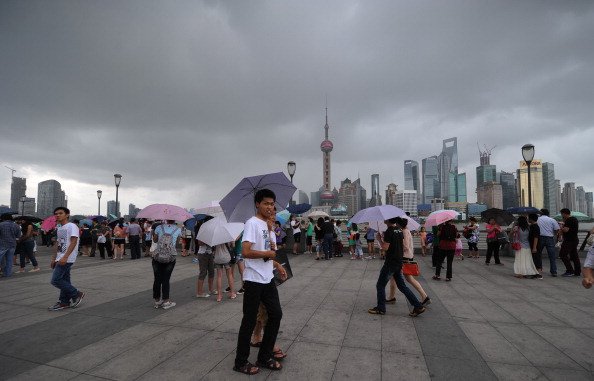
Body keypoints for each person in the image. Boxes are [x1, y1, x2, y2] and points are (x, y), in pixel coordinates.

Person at [234, 189, 284, 375]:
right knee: (249, 320)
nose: (270, 207)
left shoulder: (268, 226)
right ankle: (240, 362)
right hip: (254, 279)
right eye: (266, 203)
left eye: (272, 204)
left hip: (267, 277)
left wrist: (276, 264)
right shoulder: (252, 223)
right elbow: (246, 252)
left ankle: (264, 356)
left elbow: (268, 253)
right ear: (257, 204)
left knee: (276, 315)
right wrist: (267, 254)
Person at [368, 217, 426, 317]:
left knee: (380, 285)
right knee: (402, 286)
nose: (383, 220)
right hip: (398, 262)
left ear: (388, 221)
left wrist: (379, 239)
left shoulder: (389, 231)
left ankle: (381, 308)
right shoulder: (399, 231)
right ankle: (418, 306)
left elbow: (385, 248)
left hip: (390, 263)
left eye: (385, 219)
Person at [48, 207, 85, 311]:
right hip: (61, 257)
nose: (58, 215)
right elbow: (58, 244)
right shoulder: (60, 228)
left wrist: (65, 257)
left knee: (55, 280)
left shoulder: (72, 226)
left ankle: (77, 294)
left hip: (67, 257)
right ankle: (64, 302)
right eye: (56, 214)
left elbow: (74, 241)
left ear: (67, 215)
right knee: (65, 280)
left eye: (60, 213)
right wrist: (53, 258)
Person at [397, 217, 431, 305]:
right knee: (409, 279)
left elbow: (406, 246)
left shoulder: (404, 232)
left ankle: (424, 296)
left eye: (397, 223)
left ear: (399, 224)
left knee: (410, 279)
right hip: (408, 257)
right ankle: (424, 296)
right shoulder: (406, 231)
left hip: (405, 257)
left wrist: (398, 244)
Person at [151, 220, 181, 309]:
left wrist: (154, 234)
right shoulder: (177, 229)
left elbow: (155, 240)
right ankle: (166, 301)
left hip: (158, 256)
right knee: (166, 279)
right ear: (174, 220)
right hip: (170, 258)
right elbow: (176, 243)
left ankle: (157, 301)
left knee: (157, 279)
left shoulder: (159, 227)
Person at [537, 209, 560, 277]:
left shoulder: (538, 219)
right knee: (552, 256)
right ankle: (554, 271)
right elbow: (557, 229)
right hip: (550, 238)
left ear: (541, 213)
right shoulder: (552, 220)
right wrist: (553, 234)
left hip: (540, 238)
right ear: (548, 213)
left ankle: (539, 269)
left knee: (538, 254)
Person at [558, 208, 581, 277]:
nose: (562, 215)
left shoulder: (569, 220)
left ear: (564, 213)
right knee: (574, 256)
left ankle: (570, 270)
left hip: (569, 241)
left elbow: (566, 230)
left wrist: (561, 226)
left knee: (562, 254)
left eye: (562, 214)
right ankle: (577, 272)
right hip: (574, 239)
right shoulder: (574, 219)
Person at [0, 213, 21, 278]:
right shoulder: (16, 225)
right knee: (9, 260)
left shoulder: (1, 225)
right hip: (12, 244)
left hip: (2, 244)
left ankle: (3, 271)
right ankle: (7, 274)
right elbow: (18, 236)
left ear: (3, 218)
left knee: (2, 259)